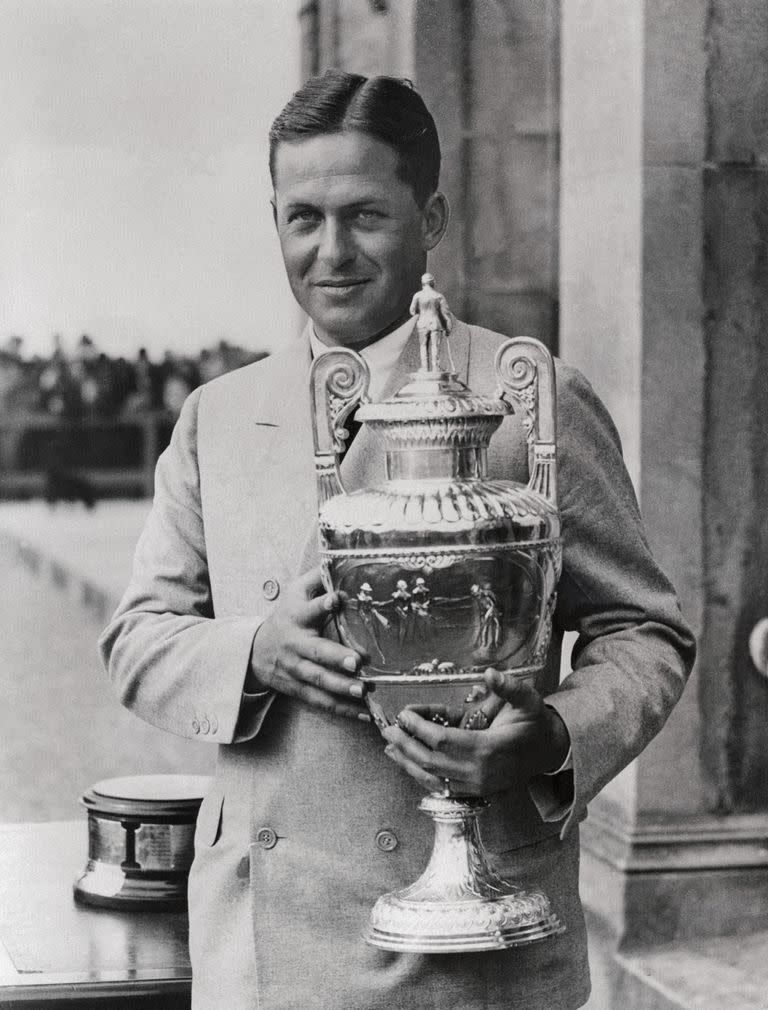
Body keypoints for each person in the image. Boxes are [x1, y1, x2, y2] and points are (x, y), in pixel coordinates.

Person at [100, 70, 696, 1010]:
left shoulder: (526, 393)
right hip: (261, 957)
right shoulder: (217, 416)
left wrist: (551, 739)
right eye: (302, 219)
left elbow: (645, 631)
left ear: (433, 218)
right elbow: (137, 638)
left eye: (365, 216)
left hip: (466, 956)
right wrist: (256, 651)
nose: (330, 252)